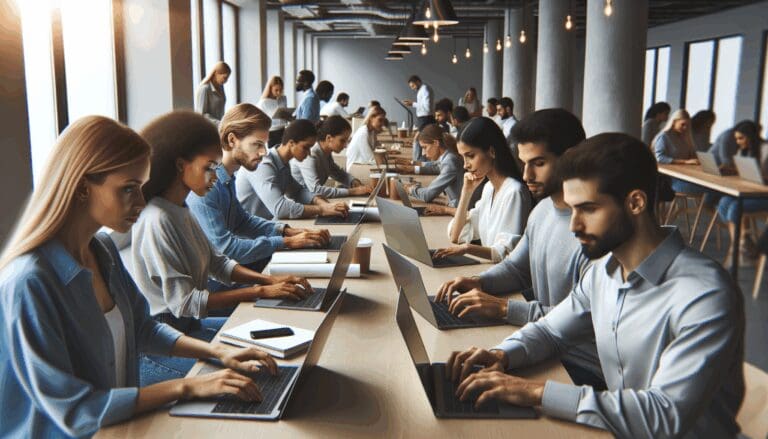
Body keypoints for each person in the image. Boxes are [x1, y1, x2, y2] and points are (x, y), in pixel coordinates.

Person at [447, 132, 745, 438]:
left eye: (588, 209)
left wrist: (534, 392)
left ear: (636, 202)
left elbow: (662, 416)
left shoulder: (705, 294)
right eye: (572, 209)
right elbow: (551, 331)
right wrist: (501, 355)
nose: (574, 226)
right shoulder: (603, 271)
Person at [0, 116, 279, 437]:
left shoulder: (102, 249)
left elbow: (143, 328)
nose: (141, 201)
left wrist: (220, 351)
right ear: (80, 187)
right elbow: (76, 411)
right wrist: (187, 387)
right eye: (129, 189)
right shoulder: (28, 282)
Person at [131, 111, 312, 380]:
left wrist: (270, 281)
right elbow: (186, 303)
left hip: (188, 328)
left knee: (277, 344)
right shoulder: (157, 219)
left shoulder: (180, 208)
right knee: (257, 373)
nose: (216, 176)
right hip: (162, 345)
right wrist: (260, 290)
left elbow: (219, 263)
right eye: (208, 167)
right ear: (181, 165)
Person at [434, 109, 603, 388]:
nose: (527, 175)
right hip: (543, 345)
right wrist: (478, 282)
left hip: (579, 367)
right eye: (524, 163)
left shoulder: (596, 233)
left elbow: (580, 323)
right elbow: (517, 268)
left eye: (538, 163)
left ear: (573, 156)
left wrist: (504, 308)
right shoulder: (543, 211)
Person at [187, 103, 331, 273]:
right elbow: (226, 248)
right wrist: (287, 241)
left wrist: (287, 231)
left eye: (264, 145)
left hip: (232, 267)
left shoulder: (227, 176)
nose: (263, 152)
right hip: (215, 281)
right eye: (257, 144)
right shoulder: (207, 184)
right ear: (232, 140)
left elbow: (242, 221)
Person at [433, 117, 531, 263]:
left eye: (470, 156)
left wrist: (467, 248)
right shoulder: (489, 188)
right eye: (463, 157)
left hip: (503, 280)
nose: (465, 165)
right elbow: (456, 235)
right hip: (488, 271)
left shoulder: (514, 192)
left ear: (491, 151)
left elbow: (506, 253)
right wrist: (466, 193)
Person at [236, 119, 349, 220]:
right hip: (246, 235)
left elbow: (297, 192)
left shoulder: (283, 162)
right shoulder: (263, 163)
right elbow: (280, 209)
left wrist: (322, 203)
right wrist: (321, 209)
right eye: (306, 147)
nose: (309, 153)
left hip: (265, 226)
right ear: (291, 143)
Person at [716, 121, 768, 256]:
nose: (738, 142)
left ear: (750, 137)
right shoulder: (743, 151)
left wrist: (761, 176)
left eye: (741, 138)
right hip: (750, 191)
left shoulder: (765, 149)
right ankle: (741, 243)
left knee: (735, 207)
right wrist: (730, 170)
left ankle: (741, 246)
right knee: (723, 202)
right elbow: (743, 172)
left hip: (763, 195)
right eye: (736, 139)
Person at [291, 115, 373, 198]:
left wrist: (353, 181)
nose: (345, 146)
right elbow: (315, 190)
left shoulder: (326, 151)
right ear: (329, 138)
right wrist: (352, 191)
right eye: (342, 140)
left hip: (311, 199)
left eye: (347, 141)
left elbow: (336, 172)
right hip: (298, 203)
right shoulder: (310, 155)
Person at [400, 124, 464, 208]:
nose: (424, 153)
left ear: (436, 143)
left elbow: (427, 195)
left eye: (425, 147)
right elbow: (435, 167)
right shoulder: (448, 156)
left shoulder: (450, 161)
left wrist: (409, 189)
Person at [653, 109, 700, 193]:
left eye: (687, 125)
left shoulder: (685, 137)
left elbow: (691, 156)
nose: (685, 128)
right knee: (712, 190)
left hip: (687, 176)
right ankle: (709, 204)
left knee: (711, 189)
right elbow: (660, 158)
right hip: (672, 180)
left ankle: (709, 204)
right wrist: (685, 162)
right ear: (674, 122)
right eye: (682, 124)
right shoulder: (664, 136)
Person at [345, 105, 388, 171]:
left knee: (389, 168)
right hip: (354, 170)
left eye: (383, 121)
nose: (382, 124)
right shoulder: (363, 133)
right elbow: (371, 160)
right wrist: (386, 160)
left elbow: (377, 149)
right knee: (388, 171)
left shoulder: (372, 132)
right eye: (380, 120)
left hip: (363, 165)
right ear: (371, 118)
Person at [403, 75, 435, 161]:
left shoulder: (425, 89)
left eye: (413, 86)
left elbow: (427, 107)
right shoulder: (422, 89)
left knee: (417, 139)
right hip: (423, 118)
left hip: (426, 118)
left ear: (418, 81)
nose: (412, 88)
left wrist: (413, 104)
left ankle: (417, 159)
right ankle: (418, 158)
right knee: (420, 139)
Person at [256, 75, 289, 148]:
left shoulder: (283, 98)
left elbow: (285, 113)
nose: (278, 92)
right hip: (272, 132)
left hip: (283, 130)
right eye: (276, 90)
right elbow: (259, 120)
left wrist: (289, 116)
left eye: (281, 90)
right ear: (270, 88)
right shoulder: (263, 102)